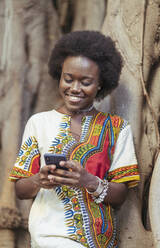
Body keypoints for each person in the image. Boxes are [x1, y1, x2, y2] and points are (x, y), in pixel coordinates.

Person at [9, 31, 140, 248]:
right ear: (59, 75)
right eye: (68, 79)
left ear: (100, 83)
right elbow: (21, 190)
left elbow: (120, 196)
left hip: (98, 241)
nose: (74, 89)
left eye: (86, 82)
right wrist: (38, 180)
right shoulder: (38, 123)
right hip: (46, 237)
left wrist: (88, 180)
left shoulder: (117, 128)